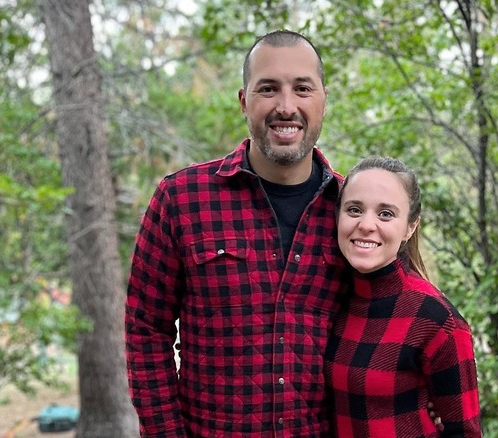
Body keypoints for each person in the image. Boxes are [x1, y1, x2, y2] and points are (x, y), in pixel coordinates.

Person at [125, 30, 351, 437]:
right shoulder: (181, 199)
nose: (286, 106)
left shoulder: (353, 212)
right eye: (268, 88)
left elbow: (396, 318)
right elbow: (146, 330)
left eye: (302, 88)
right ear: (244, 101)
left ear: (322, 100)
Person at [324, 156, 482, 437]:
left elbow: (465, 432)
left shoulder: (436, 320)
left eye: (386, 214)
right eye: (354, 209)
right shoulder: (330, 299)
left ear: (410, 227)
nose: (366, 224)